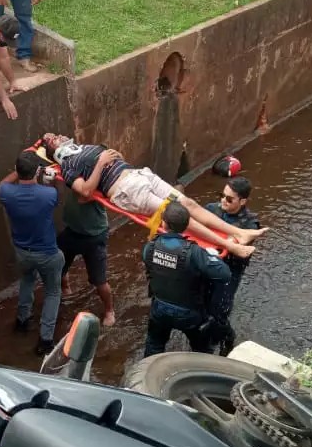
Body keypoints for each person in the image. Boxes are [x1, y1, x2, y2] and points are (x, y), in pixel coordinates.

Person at [40, 133, 268, 260]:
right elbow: (87, 191)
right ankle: (233, 246)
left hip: (140, 175)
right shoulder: (69, 166)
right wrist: (101, 163)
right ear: (54, 152)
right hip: (126, 191)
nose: (57, 135)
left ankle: (239, 232)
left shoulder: (84, 146)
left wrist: (116, 156)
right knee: (181, 216)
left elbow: (112, 160)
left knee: (188, 203)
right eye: (51, 138)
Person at [142, 201, 231, 357]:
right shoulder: (195, 253)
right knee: (202, 352)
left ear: (164, 222)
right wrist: (210, 256)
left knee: (154, 346)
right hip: (190, 313)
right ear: (186, 226)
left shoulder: (150, 247)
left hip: (160, 308)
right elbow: (224, 274)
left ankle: (146, 373)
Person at [0, 152, 65, 355]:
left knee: (27, 282)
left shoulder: (6, 192)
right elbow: (56, 195)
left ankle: (22, 321)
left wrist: (18, 171)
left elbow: (4, 181)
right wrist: (52, 180)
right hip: (47, 253)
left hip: (22, 251)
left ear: (18, 171)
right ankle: (45, 340)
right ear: (37, 171)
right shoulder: (47, 194)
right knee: (53, 292)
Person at [204, 176, 260, 356]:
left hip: (230, 271)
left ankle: (227, 337)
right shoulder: (211, 210)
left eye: (229, 199)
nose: (223, 201)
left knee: (219, 311)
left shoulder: (249, 223)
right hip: (207, 264)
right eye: (222, 195)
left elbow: (242, 245)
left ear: (243, 201)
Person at [59, 192, 116, 327]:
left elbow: (83, 196)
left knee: (99, 280)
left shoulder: (99, 179)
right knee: (59, 266)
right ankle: (66, 288)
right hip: (72, 230)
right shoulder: (74, 173)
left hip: (94, 235)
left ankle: (109, 310)